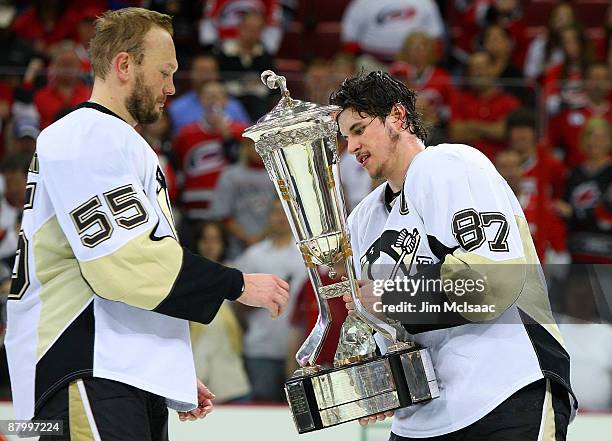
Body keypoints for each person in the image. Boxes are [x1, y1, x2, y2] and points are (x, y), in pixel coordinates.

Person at [5, 8, 290, 441]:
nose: (172, 87)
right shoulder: (88, 136)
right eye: (165, 71)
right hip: (84, 368)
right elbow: (123, 264)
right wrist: (237, 284)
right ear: (124, 65)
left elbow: (130, 266)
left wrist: (164, 371)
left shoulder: (114, 141)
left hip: (113, 371)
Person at [331, 71, 575, 440]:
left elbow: (493, 282)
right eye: (345, 136)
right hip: (421, 417)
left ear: (397, 117)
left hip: (505, 390)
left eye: (360, 129)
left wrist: (391, 297)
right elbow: (386, 326)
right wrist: (379, 377)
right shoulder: (363, 219)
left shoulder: (450, 165)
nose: (351, 146)